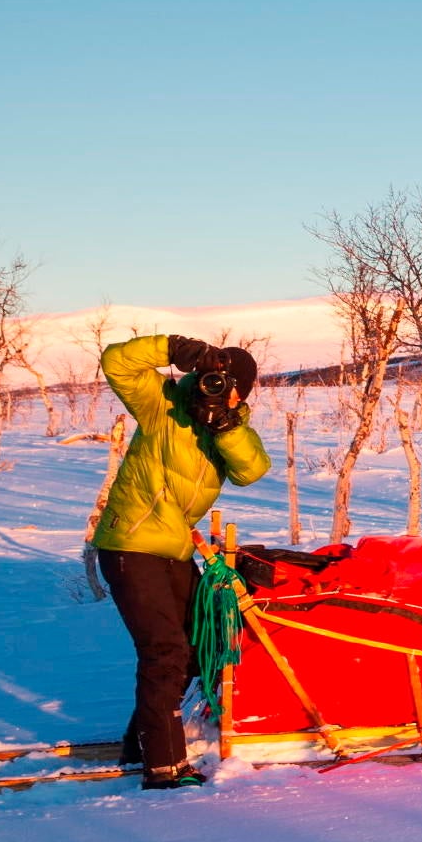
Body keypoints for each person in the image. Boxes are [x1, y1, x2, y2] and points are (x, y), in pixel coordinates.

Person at [93, 334, 270, 789]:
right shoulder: (161, 403)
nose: (211, 386)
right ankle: (163, 766)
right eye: (210, 375)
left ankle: (143, 742)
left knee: (197, 648)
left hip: (172, 548)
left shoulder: (228, 425)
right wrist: (173, 349)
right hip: (131, 544)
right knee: (164, 652)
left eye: (226, 384)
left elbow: (251, 470)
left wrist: (223, 423)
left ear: (240, 393)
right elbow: (116, 361)